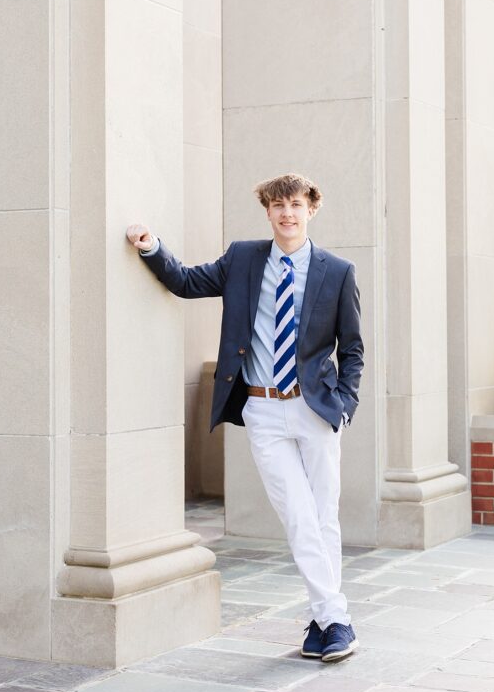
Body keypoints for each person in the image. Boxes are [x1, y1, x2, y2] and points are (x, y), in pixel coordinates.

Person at [125, 172, 364, 662]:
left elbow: (353, 349)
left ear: (311, 209)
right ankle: (336, 619)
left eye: (296, 204)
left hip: (315, 409)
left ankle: (324, 621)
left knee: (323, 517)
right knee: (298, 516)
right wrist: (152, 249)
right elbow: (188, 283)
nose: (287, 214)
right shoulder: (242, 258)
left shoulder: (337, 271)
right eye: (278, 205)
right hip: (261, 407)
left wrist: (343, 405)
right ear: (268, 211)